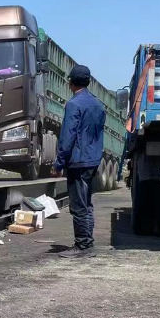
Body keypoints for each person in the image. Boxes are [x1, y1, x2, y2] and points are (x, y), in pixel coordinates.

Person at [50, 64, 106, 258]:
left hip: (78, 160)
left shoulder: (73, 104)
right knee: (87, 203)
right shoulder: (98, 104)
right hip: (92, 160)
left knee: (78, 206)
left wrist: (59, 163)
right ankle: (87, 243)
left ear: (71, 83)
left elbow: (67, 137)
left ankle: (83, 246)